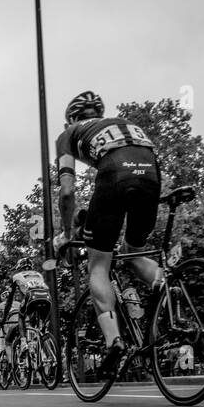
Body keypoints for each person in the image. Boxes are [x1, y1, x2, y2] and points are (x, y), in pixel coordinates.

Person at [51, 90, 163, 378]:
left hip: (114, 172)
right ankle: (167, 286)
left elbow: (66, 192)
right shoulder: (122, 123)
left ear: (71, 119)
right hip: (150, 171)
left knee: (98, 264)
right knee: (132, 252)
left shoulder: (70, 134)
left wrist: (66, 234)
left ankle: (114, 341)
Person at [0, 257, 53, 372]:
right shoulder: (38, 274)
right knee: (40, 327)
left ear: (19, 267)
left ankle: (23, 342)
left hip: (31, 296)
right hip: (46, 297)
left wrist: (3, 319)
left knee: (21, 317)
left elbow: (9, 301)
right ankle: (48, 351)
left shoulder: (17, 276)